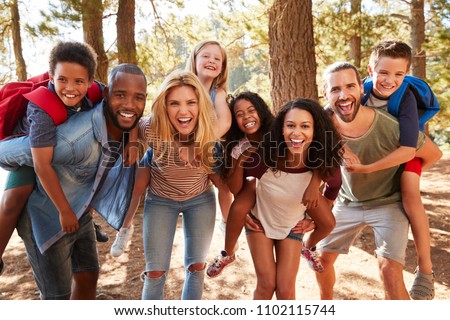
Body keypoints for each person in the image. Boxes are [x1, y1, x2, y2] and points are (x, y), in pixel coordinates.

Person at [0, 63, 147, 299]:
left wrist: (133, 137)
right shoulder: (71, 141)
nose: (130, 104)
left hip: (80, 214)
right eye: (121, 95)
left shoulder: (119, 121)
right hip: (47, 217)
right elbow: (20, 154)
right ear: (108, 95)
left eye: (138, 98)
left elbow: (135, 115)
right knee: (57, 298)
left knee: (88, 276)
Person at [316, 61, 442, 300]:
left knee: (389, 269)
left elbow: (434, 154)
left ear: (362, 88)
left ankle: (425, 269)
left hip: (388, 202)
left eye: (350, 86)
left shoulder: (393, 126)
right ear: (325, 94)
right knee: (321, 261)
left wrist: (407, 171)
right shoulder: (322, 125)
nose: (343, 95)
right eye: (334, 89)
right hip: (347, 202)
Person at [0, 41, 107, 276]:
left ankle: (89, 218)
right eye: (62, 80)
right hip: (18, 145)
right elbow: (41, 165)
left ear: (90, 82)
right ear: (51, 77)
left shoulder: (96, 91)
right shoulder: (41, 109)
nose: (70, 88)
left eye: (79, 81)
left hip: (52, 144)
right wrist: (65, 210)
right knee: (14, 199)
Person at [206, 92, 339, 278]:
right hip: (259, 186)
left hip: (293, 187)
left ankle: (308, 248)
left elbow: (318, 156)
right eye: (239, 114)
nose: (246, 116)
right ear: (234, 120)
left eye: (251, 110)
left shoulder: (281, 132)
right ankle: (227, 253)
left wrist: (314, 185)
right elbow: (236, 188)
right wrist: (242, 158)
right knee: (240, 205)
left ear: (261, 111)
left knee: (328, 223)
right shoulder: (238, 145)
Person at [238, 98, 343, 299]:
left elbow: (334, 187)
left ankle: (308, 247)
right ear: (282, 128)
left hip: (291, 224)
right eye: (290, 125)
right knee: (267, 285)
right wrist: (241, 212)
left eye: (305, 126)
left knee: (286, 290)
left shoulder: (323, 158)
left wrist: (314, 218)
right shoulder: (267, 154)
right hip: (260, 222)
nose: (296, 133)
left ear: (316, 131)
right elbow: (240, 183)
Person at [138, 69, 218, 300]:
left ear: (200, 104)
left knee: (197, 268)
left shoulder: (210, 127)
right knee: (154, 272)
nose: (183, 111)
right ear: (164, 105)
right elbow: (126, 129)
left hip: (200, 199)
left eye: (191, 102)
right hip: (161, 200)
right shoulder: (150, 127)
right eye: (174, 103)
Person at [186, 40, 233, 241]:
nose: (211, 60)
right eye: (206, 56)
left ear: (222, 68)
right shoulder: (184, 86)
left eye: (217, 58)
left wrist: (199, 145)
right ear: (194, 60)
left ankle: (226, 222)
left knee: (224, 185)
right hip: (181, 146)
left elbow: (224, 121)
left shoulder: (218, 93)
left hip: (208, 149)